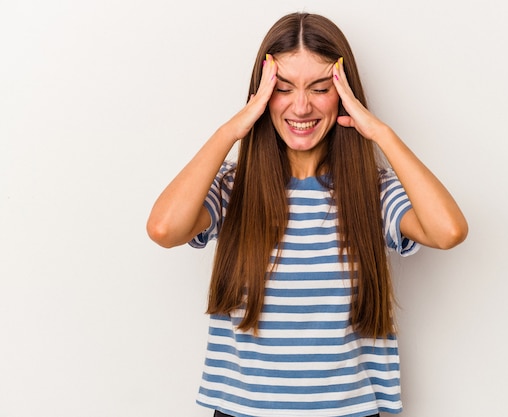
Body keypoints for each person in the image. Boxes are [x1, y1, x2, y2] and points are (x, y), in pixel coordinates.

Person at [147, 12, 467, 417]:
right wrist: (232, 129)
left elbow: (449, 230)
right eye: (283, 89)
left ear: (343, 93)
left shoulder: (373, 190)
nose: (301, 106)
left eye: (319, 88)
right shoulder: (234, 187)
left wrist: (380, 132)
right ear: (262, 96)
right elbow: (163, 228)